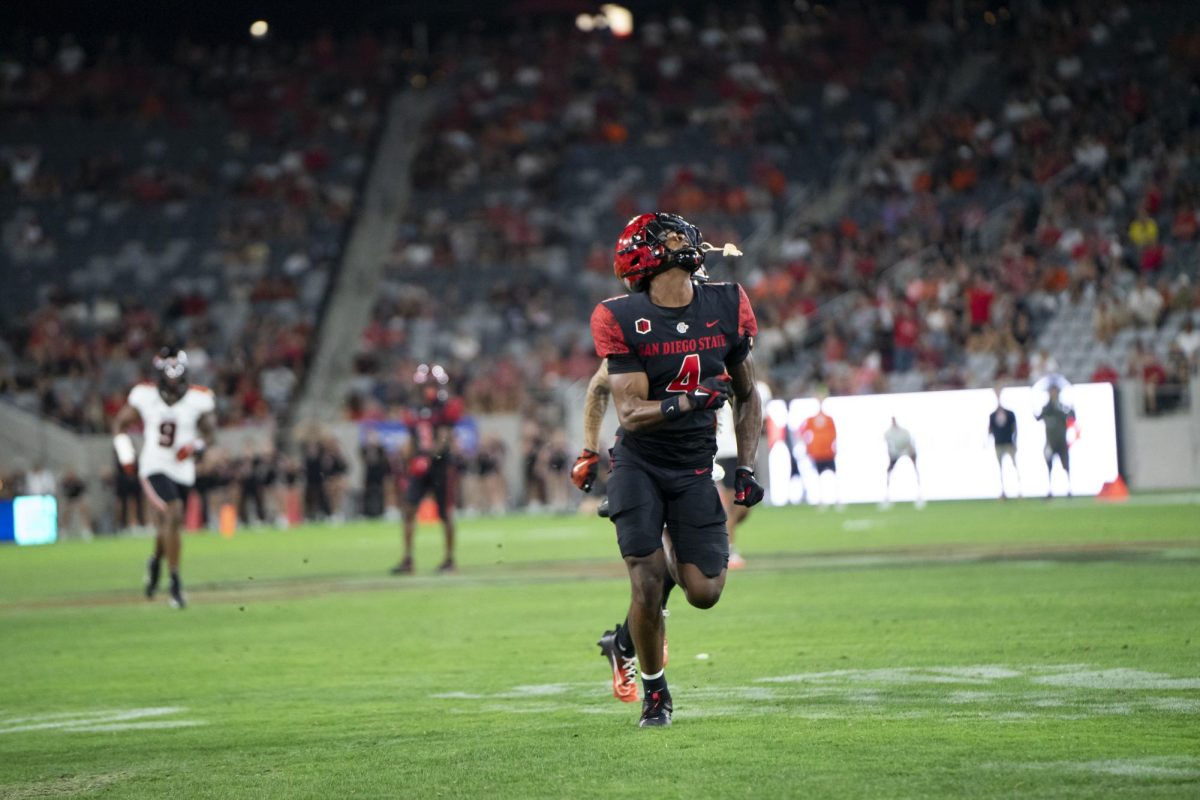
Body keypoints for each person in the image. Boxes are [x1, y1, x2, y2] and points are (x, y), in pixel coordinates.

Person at [589, 212, 764, 727]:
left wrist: (746, 468)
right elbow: (629, 413)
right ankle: (655, 694)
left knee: (705, 592)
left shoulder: (728, 302)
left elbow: (746, 394)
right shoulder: (620, 316)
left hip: (693, 466)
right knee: (644, 579)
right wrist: (690, 400)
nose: (682, 240)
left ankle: (620, 639)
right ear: (642, 255)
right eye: (665, 236)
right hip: (639, 462)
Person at [111, 348, 216, 609]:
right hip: (154, 465)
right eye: (168, 380)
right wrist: (126, 456)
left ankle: (156, 562)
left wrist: (195, 447)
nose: (173, 387)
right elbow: (119, 425)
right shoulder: (144, 396)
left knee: (169, 525)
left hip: (183, 470)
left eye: (177, 380)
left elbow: (210, 433)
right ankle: (175, 583)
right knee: (175, 512)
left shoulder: (198, 399)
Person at [391, 363, 464, 575]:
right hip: (420, 466)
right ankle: (407, 559)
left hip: (440, 466)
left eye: (431, 385)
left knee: (445, 513)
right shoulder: (413, 410)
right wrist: (411, 461)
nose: (428, 390)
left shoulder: (445, 408)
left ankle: (450, 559)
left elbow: (444, 438)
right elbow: (413, 440)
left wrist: (429, 457)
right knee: (408, 509)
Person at [1035, 384, 1075, 498]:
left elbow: (1072, 417)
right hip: (1050, 442)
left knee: (1066, 465)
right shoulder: (1046, 408)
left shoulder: (1062, 407)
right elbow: (1038, 418)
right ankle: (1049, 491)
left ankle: (1069, 489)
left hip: (1061, 441)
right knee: (1049, 466)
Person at [800, 400, 840, 509]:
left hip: (827, 453)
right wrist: (808, 447)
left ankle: (836, 500)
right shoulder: (812, 419)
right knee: (819, 478)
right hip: (818, 453)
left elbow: (834, 435)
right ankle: (822, 501)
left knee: (833, 476)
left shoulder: (828, 419)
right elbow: (803, 431)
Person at [882, 417, 922, 508]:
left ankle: (919, 495)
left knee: (915, 470)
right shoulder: (888, 433)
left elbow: (910, 443)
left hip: (908, 450)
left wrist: (910, 453)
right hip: (896, 453)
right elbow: (888, 444)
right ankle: (887, 497)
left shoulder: (904, 432)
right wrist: (892, 454)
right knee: (889, 472)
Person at [987, 389, 1019, 499]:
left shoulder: (1010, 414)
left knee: (1015, 466)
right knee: (1000, 468)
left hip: (1009, 443)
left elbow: (1015, 429)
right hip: (998, 444)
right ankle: (1003, 491)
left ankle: (1019, 490)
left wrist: (1015, 441)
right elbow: (989, 430)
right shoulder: (992, 415)